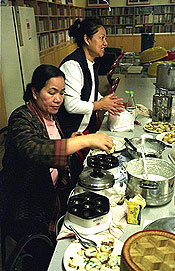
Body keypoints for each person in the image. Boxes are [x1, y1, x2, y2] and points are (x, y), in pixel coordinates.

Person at [0, 64, 113, 270]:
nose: (58, 99)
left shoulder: (50, 114)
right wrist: (85, 142)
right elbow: (35, 150)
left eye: (62, 93)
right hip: (24, 202)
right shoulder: (21, 118)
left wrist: (69, 139)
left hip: (50, 191)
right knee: (53, 256)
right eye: (51, 92)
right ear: (34, 92)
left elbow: (51, 141)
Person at [57, 18, 124, 139]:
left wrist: (106, 101)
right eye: (101, 38)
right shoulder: (72, 65)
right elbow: (71, 105)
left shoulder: (90, 61)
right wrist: (100, 104)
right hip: (73, 132)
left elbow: (89, 90)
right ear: (87, 39)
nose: (105, 43)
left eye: (105, 38)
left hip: (87, 127)